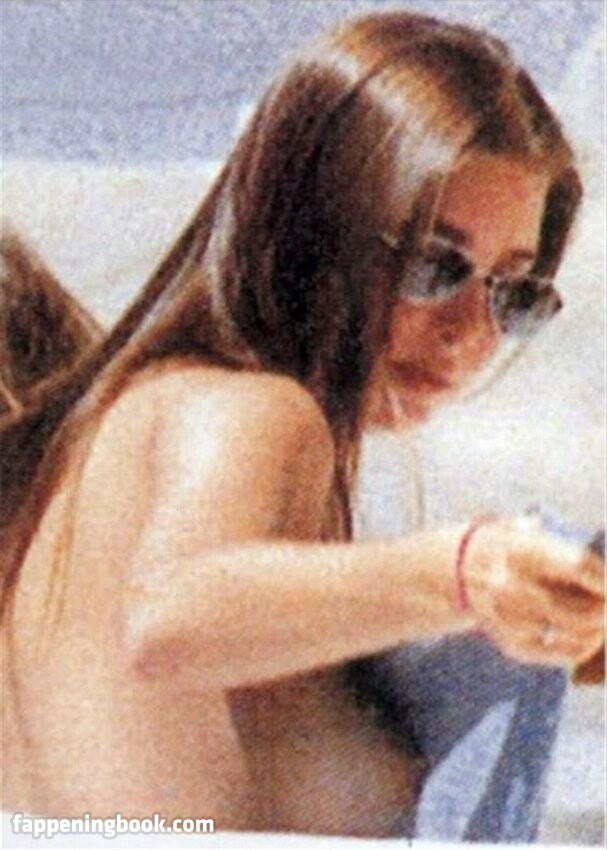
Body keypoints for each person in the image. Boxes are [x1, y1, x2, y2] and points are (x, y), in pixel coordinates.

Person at [1, 10, 603, 840]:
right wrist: (465, 573)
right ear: (314, 230)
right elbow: (172, 617)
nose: (470, 332)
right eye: (435, 265)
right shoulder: (252, 410)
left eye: (513, 293)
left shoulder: (103, 446)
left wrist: (531, 615)